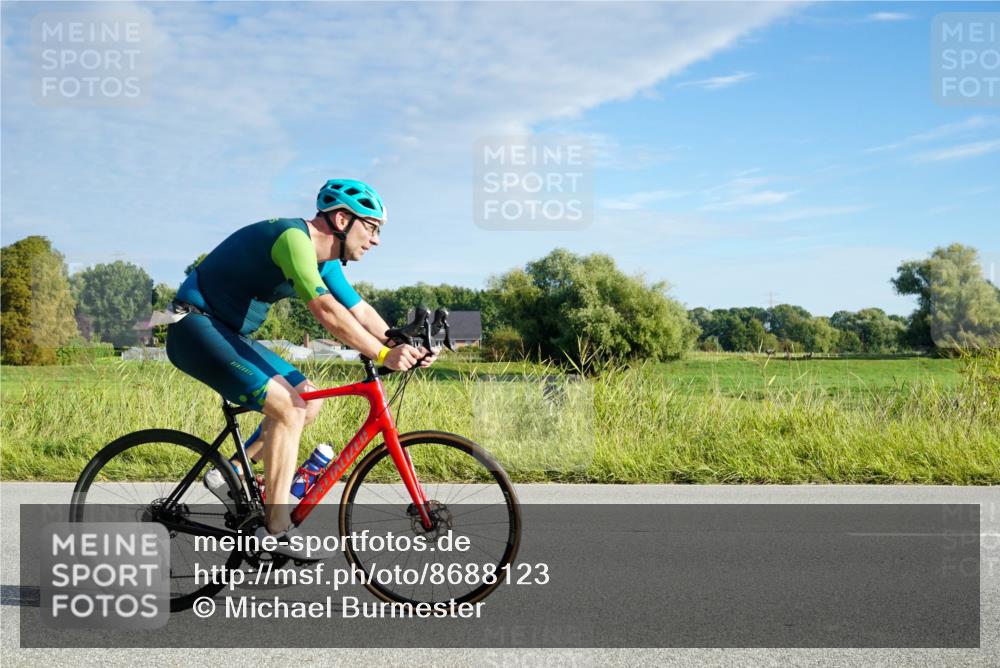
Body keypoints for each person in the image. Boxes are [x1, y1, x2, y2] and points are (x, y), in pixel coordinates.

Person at [163, 179, 435, 559]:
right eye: (372, 228)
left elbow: (359, 311)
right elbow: (325, 310)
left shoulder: (326, 261)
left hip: (225, 331)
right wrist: (381, 355)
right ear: (342, 219)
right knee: (289, 407)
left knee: (308, 400)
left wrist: (401, 344)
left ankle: (233, 473)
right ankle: (275, 531)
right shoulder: (293, 239)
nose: (376, 240)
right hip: (193, 327)